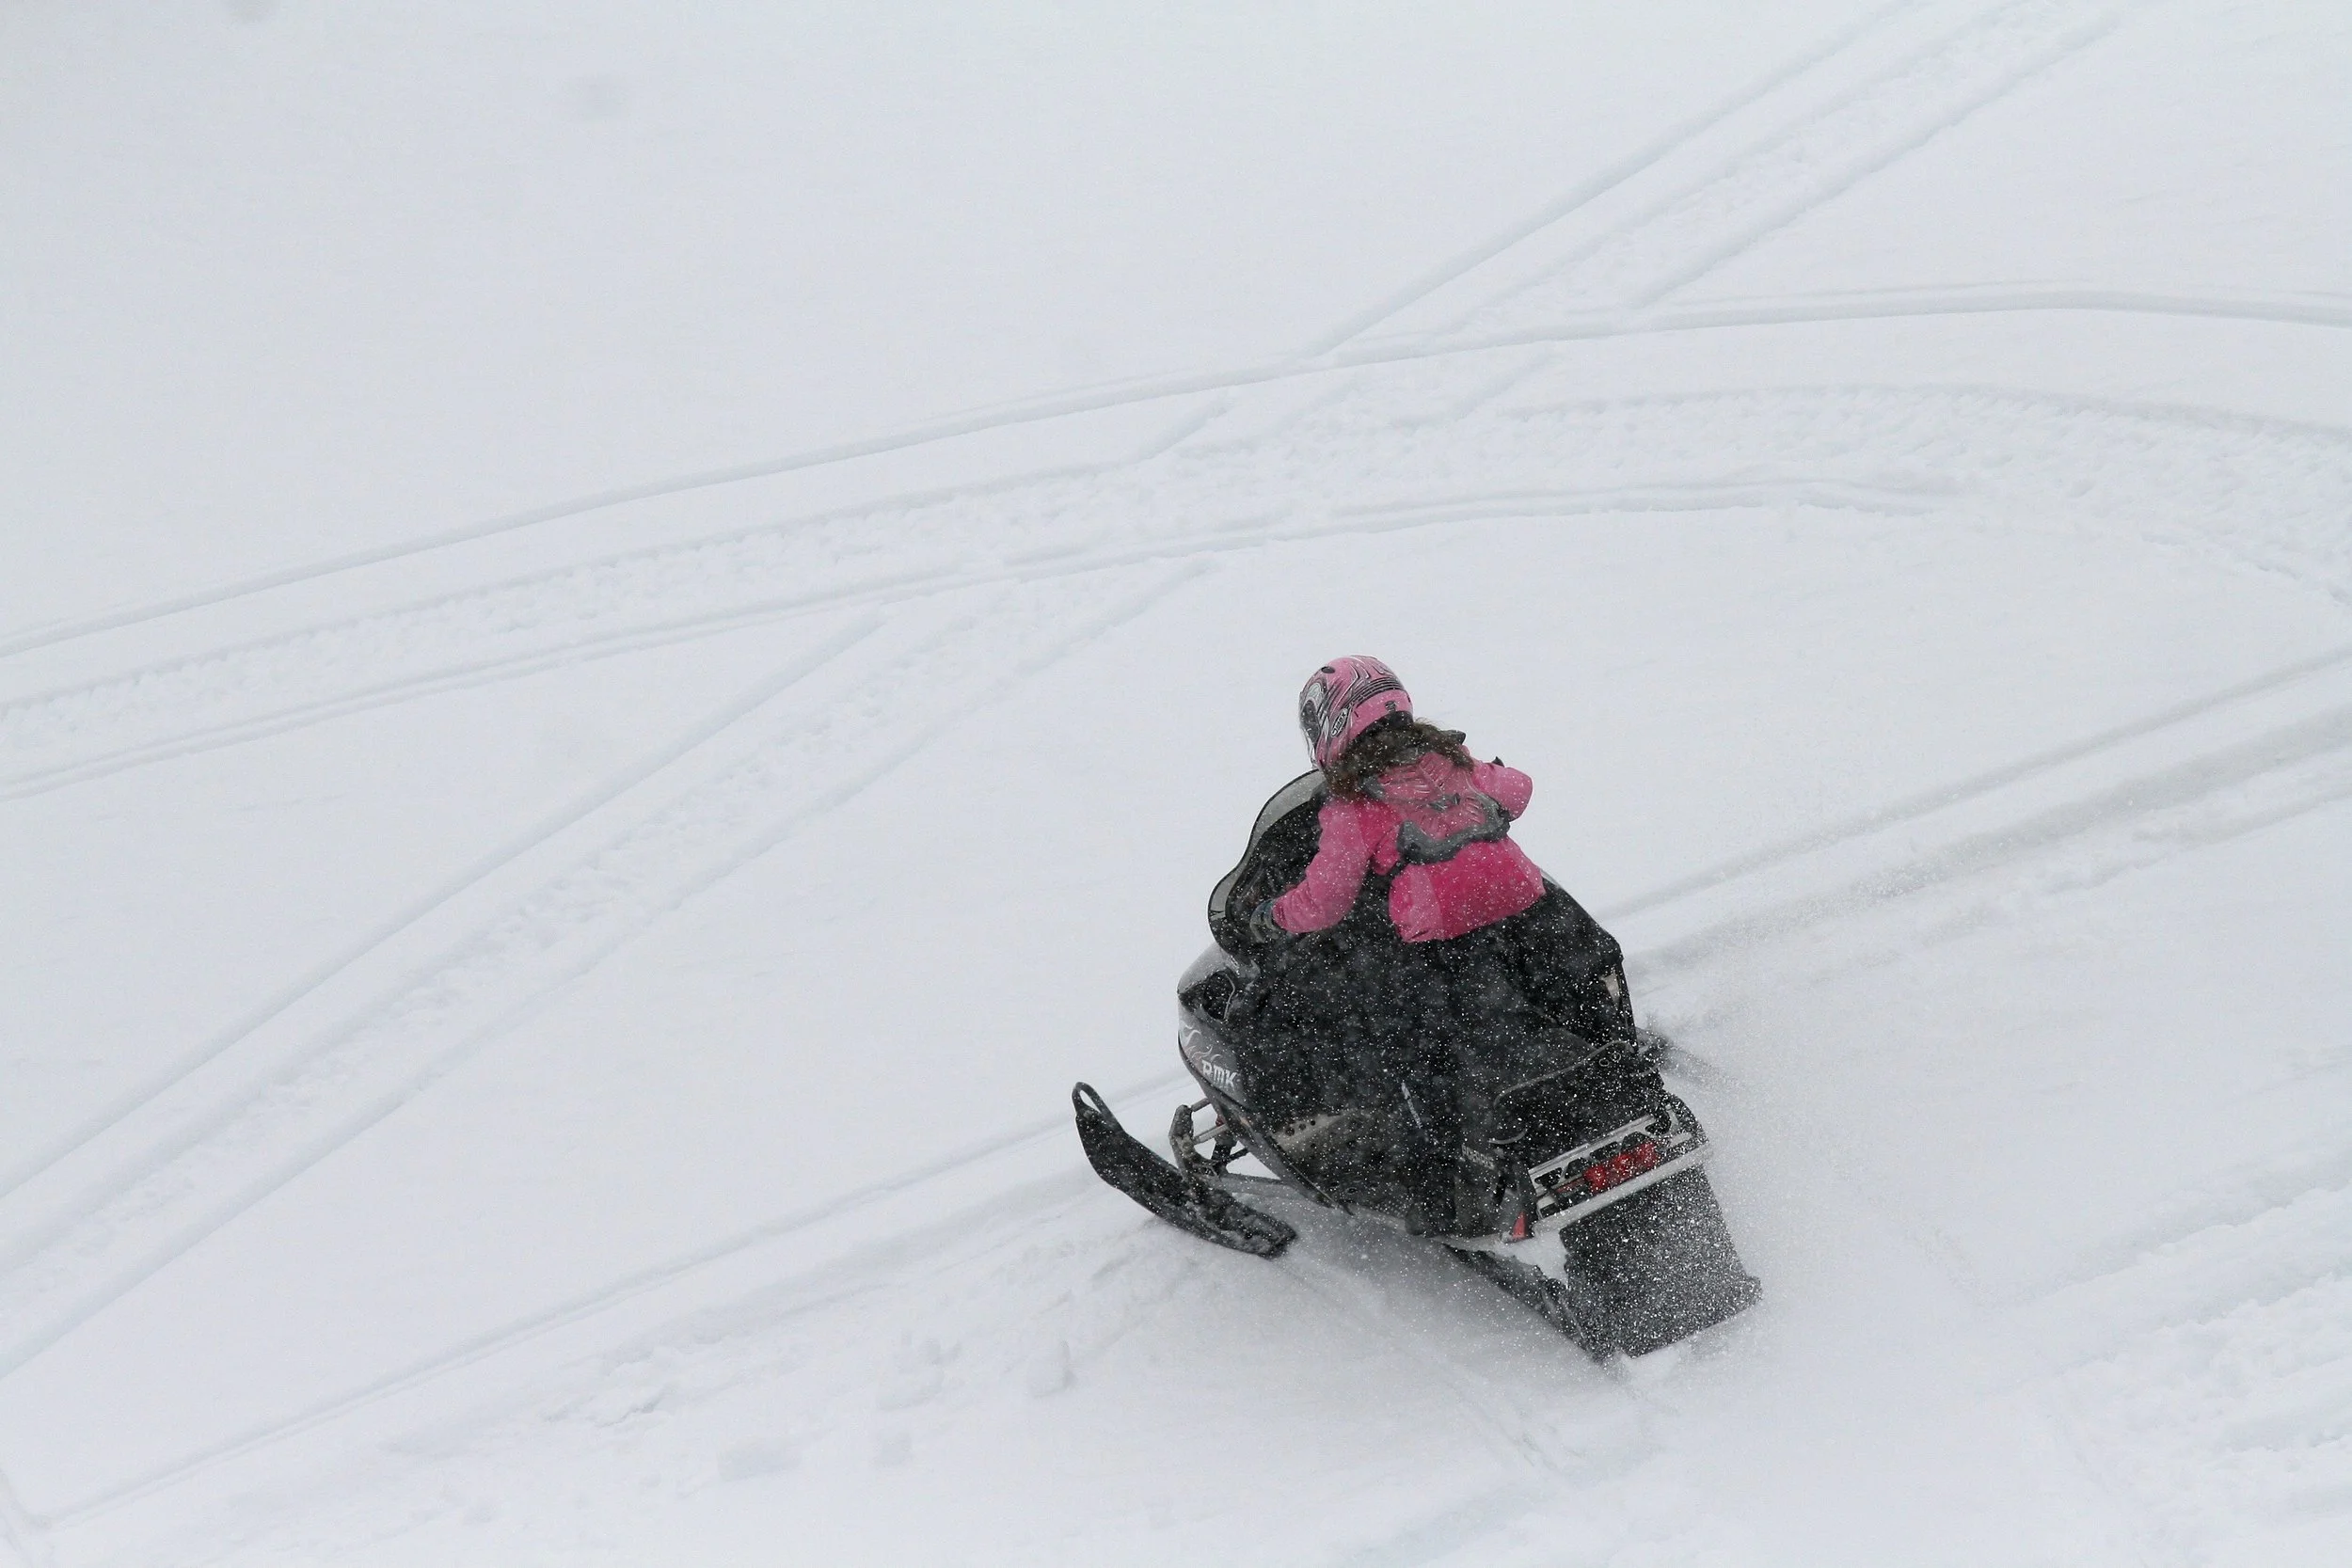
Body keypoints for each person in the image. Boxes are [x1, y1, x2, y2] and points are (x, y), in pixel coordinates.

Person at [1245, 656, 1637, 1233]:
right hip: (1524, 917)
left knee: (1414, 1057)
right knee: (1557, 993)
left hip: (1443, 945)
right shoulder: (1451, 761)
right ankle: (1617, 1064)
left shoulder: (1352, 806)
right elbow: (1519, 789)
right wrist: (1474, 790)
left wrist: (1273, 915)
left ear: (1331, 728)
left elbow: (1327, 900)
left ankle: (1439, 1193)